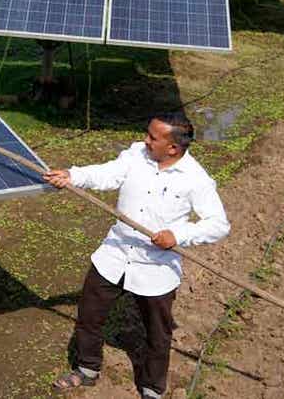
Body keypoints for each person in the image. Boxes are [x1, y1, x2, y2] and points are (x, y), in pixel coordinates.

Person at [47, 112, 229, 399]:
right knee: (89, 317)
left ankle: (152, 388)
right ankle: (87, 368)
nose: (145, 140)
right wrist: (74, 176)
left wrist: (177, 235)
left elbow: (218, 224)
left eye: (153, 138)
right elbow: (107, 173)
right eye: (147, 134)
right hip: (114, 255)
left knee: (157, 335)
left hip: (155, 269)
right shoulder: (136, 155)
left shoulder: (196, 179)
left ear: (173, 148)